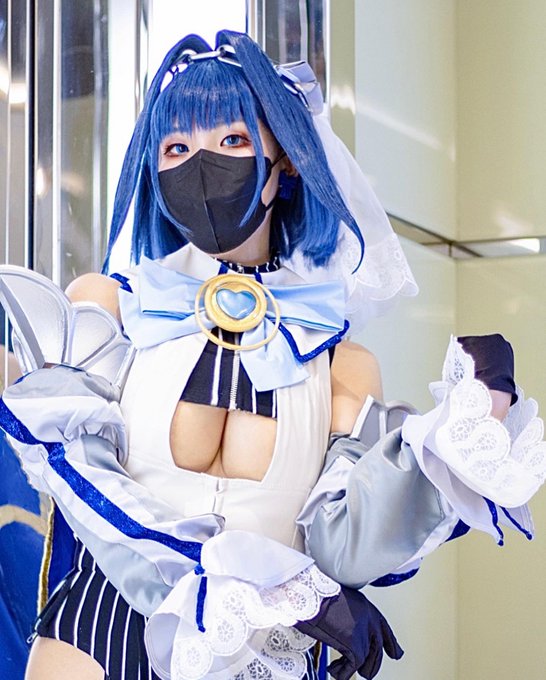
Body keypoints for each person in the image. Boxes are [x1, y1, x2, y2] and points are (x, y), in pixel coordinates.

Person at [0, 29, 543, 680]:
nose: (201, 165)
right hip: (101, 634)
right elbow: (82, 479)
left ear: (283, 159)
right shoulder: (110, 308)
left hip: (263, 651)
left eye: (231, 140)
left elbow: (341, 541)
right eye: (176, 148)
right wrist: (286, 591)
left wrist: (467, 424)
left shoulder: (340, 359)